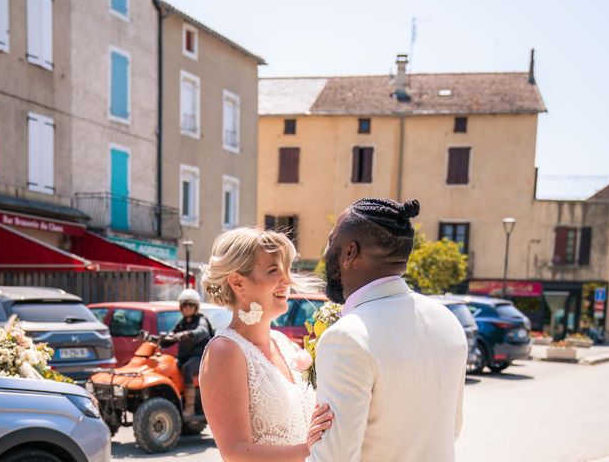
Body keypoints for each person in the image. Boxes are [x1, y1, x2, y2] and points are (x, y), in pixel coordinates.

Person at [307, 198, 468, 462]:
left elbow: (334, 458)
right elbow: (452, 428)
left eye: (330, 240)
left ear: (349, 252)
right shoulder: (447, 321)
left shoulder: (347, 337)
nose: (326, 251)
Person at [199, 227, 333, 461]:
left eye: (287, 271)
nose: (287, 281)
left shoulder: (285, 344)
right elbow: (235, 452)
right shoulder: (225, 351)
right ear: (238, 282)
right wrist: (311, 451)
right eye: (274, 271)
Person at [162, 288, 212, 416]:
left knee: (187, 368)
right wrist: (162, 339)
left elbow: (202, 331)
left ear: (196, 307)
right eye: (184, 305)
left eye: (190, 305)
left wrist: (188, 334)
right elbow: (172, 334)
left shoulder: (201, 320)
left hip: (200, 357)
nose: (187, 307)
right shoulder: (182, 323)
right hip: (185, 356)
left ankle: (189, 408)